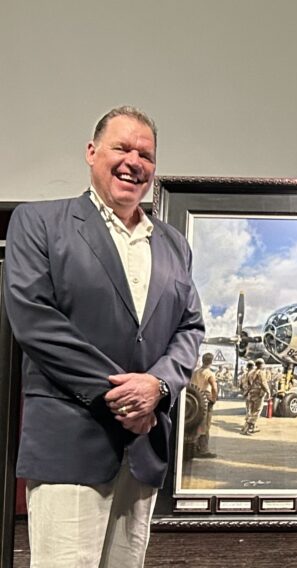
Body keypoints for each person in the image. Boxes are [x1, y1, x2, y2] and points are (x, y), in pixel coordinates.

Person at [3, 106, 204, 567]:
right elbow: (36, 321)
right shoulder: (38, 224)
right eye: (122, 147)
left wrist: (158, 387)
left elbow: (189, 328)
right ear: (92, 153)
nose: (134, 161)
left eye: (146, 154)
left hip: (142, 451)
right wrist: (124, 396)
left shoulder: (174, 244)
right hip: (70, 447)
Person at [190, 353, 219, 458]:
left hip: (194, 399)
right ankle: (204, 450)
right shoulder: (209, 373)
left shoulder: (195, 372)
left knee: (195, 425)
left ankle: (194, 448)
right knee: (205, 426)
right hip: (205, 399)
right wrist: (214, 398)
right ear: (211, 361)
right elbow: (214, 387)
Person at [241, 359, 271, 435]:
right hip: (258, 394)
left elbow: (246, 384)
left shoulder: (250, 373)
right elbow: (263, 383)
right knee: (256, 412)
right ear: (261, 364)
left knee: (251, 411)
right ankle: (247, 430)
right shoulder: (260, 373)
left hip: (251, 393)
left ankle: (247, 427)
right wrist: (268, 392)